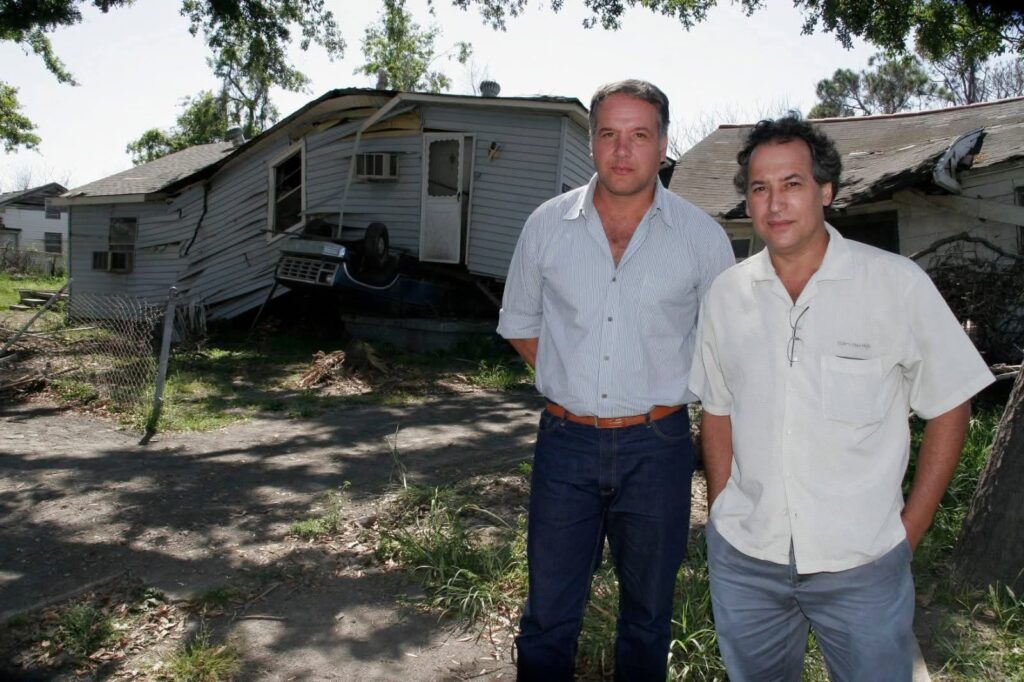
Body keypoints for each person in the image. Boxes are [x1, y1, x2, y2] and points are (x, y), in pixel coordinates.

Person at [688, 115, 995, 680]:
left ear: (826, 191)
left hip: (863, 564)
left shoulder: (895, 284)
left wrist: (909, 533)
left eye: (792, 183)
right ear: (748, 201)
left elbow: (951, 403)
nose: (775, 203)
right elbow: (718, 409)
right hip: (746, 562)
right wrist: (725, 510)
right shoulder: (726, 295)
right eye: (760, 188)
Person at [497, 79, 734, 681]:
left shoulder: (702, 239)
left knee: (649, 617)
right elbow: (521, 326)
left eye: (639, 135)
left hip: (658, 448)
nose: (622, 151)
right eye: (608, 134)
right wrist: (576, 379)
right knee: (548, 616)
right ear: (591, 142)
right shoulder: (546, 225)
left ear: (663, 144)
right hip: (565, 444)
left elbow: (723, 349)